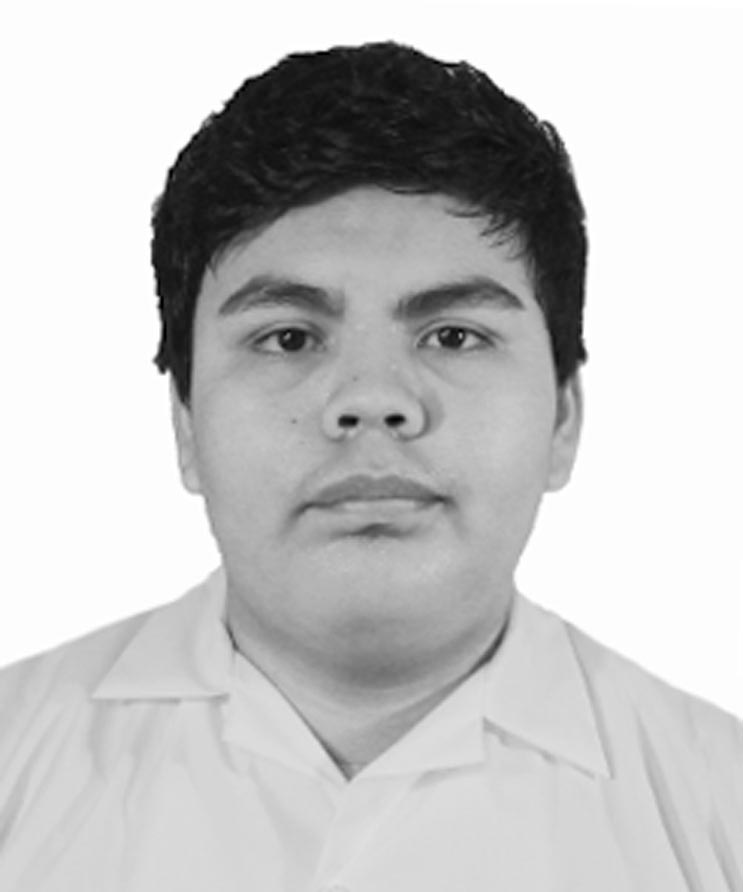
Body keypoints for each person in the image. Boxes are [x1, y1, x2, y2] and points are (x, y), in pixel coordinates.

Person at [0, 40, 740, 892]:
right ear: (186, 423)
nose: (374, 399)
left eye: (453, 335)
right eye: (288, 337)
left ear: (563, 416)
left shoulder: (718, 807)